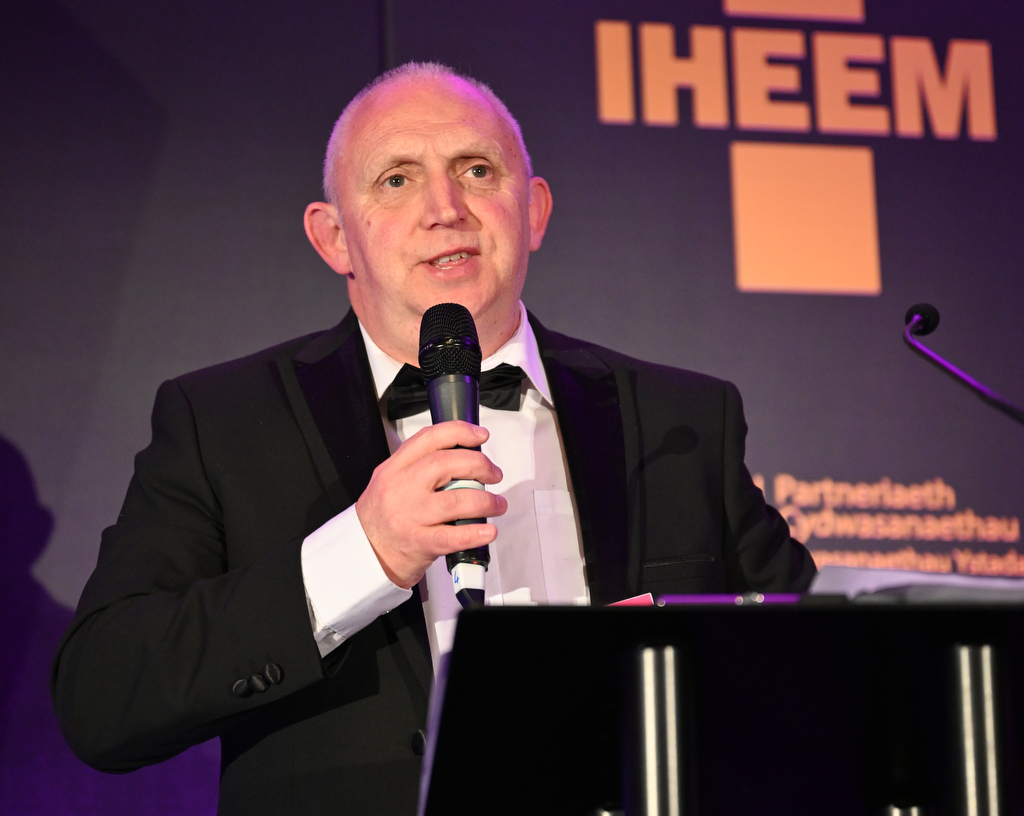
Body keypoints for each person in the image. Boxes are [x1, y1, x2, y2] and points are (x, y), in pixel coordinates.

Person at [52, 62, 815, 815]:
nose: (445, 209)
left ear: (534, 211)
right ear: (334, 238)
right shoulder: (222, 421)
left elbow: (822, 674)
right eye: (397, 180)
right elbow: (103, 697)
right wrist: (363, 553)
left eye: (477, 171)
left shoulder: (683, 419)